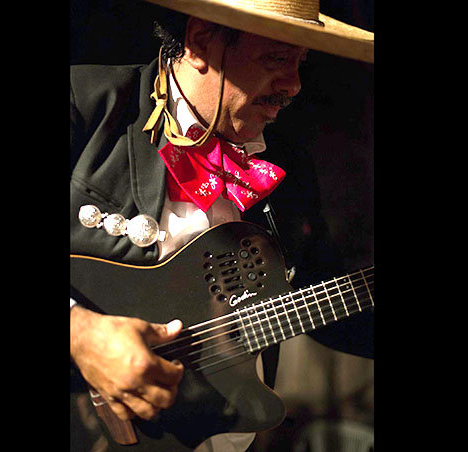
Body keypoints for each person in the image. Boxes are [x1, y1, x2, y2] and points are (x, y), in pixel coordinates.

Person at [70, 1, 374, 451]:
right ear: (199, 42)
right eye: (276, 58)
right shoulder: (84, 104)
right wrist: (81, 334)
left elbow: (323, 303)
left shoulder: (286, 162)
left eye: (299, 62)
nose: (293, 84)